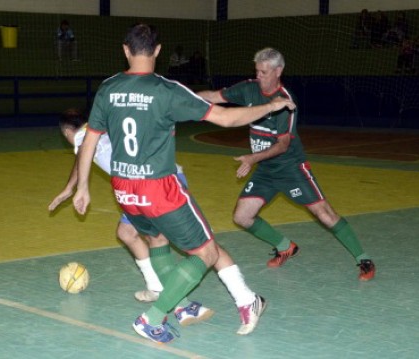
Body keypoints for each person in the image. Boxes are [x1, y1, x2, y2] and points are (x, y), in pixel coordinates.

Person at [72, 24, 295, 344]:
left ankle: (191, 302)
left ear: (125, 50)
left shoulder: (108, 88)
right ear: (158, 51)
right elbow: (226, 118)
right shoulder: (167, 90)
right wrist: (271, 106)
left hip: (123, 189)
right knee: (206, 252)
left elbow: (90, 140)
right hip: (159, 188)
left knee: (158, 239)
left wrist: (83, 186)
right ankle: (154, 317)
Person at [197, 47, 376, 282]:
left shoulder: (285, 102)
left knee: (324, 214)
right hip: (266, 171)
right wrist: (179, 95)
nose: (258, 76)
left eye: (263, 72)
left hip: (291, 168)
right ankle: (285, 246)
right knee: (242, 217)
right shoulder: (249, 88)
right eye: (257, 71)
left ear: (278, 71)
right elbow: (213, 96)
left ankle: (363, 259)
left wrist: (251, 158)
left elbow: (282, 146)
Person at [49, 108, 214, 325]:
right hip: (142, 185)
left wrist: (72, 188)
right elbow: (83, 157)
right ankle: (157, 288)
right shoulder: (97, 129)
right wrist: (72, 187)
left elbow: (82, 154)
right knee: (127, 233)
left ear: (67, 133)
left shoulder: (82, 137)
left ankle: (184, 303)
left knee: (189, 246)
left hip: (157, 185)